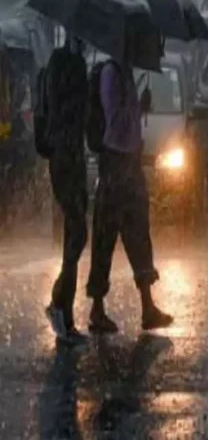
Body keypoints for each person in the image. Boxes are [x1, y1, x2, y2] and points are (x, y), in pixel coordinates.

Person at [86, 34, 172, 333]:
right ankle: (97, 309)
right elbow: (114, 122)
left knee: (138, 234)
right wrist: (133, 108)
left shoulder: (125, 75)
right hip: (116, 163)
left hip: (130, 163)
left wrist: (141, 106)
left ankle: (148, 307)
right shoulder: (111, 74)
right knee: (105, 237)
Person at [43, 37, 89, 343]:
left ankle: (64, 310)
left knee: (75, 233)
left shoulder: (56, 66)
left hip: (68, 158)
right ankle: (60, 305)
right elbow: (71, 114)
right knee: (76, 233)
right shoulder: (69, 68)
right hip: (67, 158)